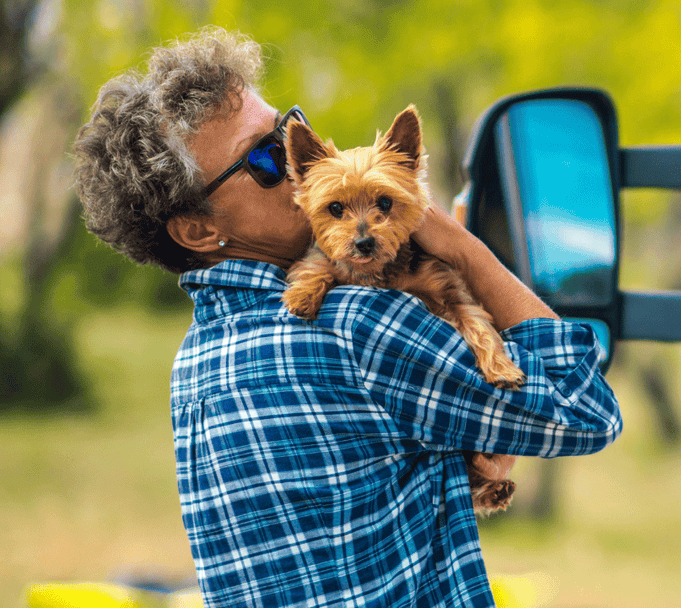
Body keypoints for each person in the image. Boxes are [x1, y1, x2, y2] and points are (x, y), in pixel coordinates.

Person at [71, 27, 621, 607]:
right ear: (200, 230)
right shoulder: (355, 326)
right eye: (264, 158)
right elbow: (585, 410)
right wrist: (461, 246)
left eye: (290, 131)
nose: (296, 163)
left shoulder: (196, 365)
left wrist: (461, 441)